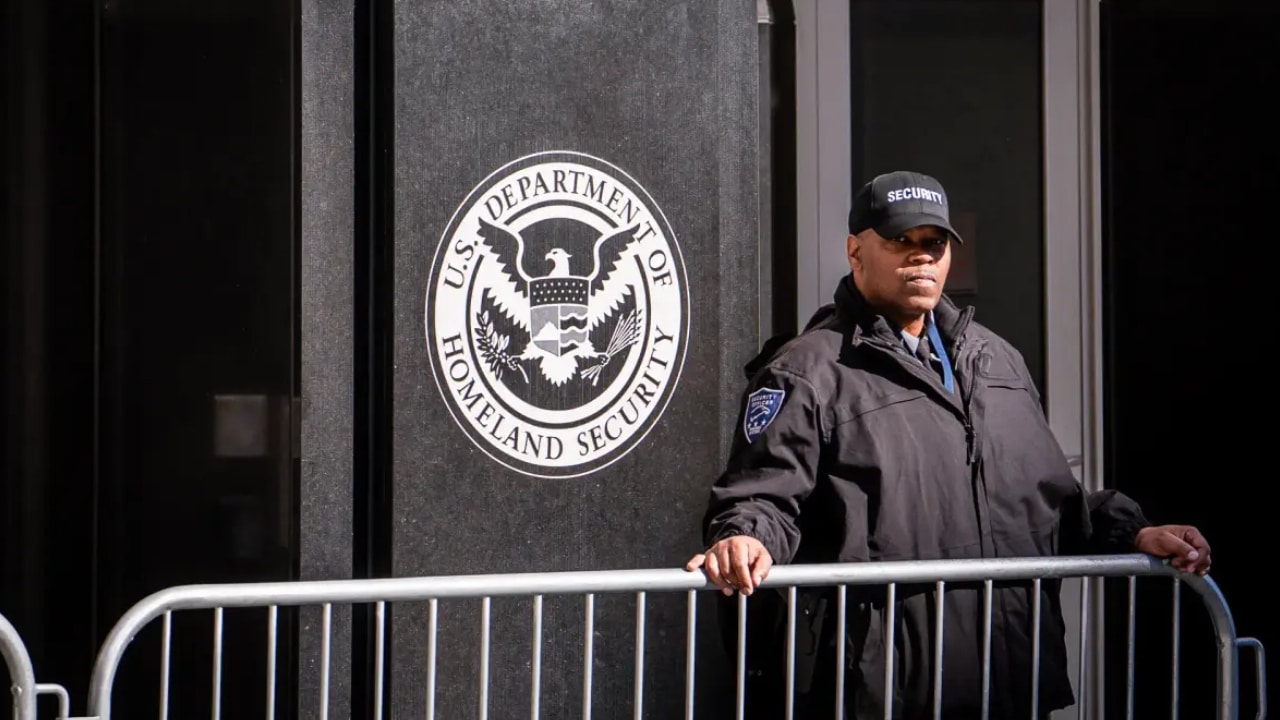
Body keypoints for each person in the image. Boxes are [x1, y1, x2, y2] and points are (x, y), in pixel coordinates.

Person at [684, 171, 1212, 719]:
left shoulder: (997, 361)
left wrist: (1136, 534)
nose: (921, 257)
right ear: (855, 251)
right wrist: (744, 538)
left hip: (1008, 683)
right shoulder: (807, 370)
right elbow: (763, 495)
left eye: (934, 242)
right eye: (900, 240)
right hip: (887, 691)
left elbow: (1050, 502)